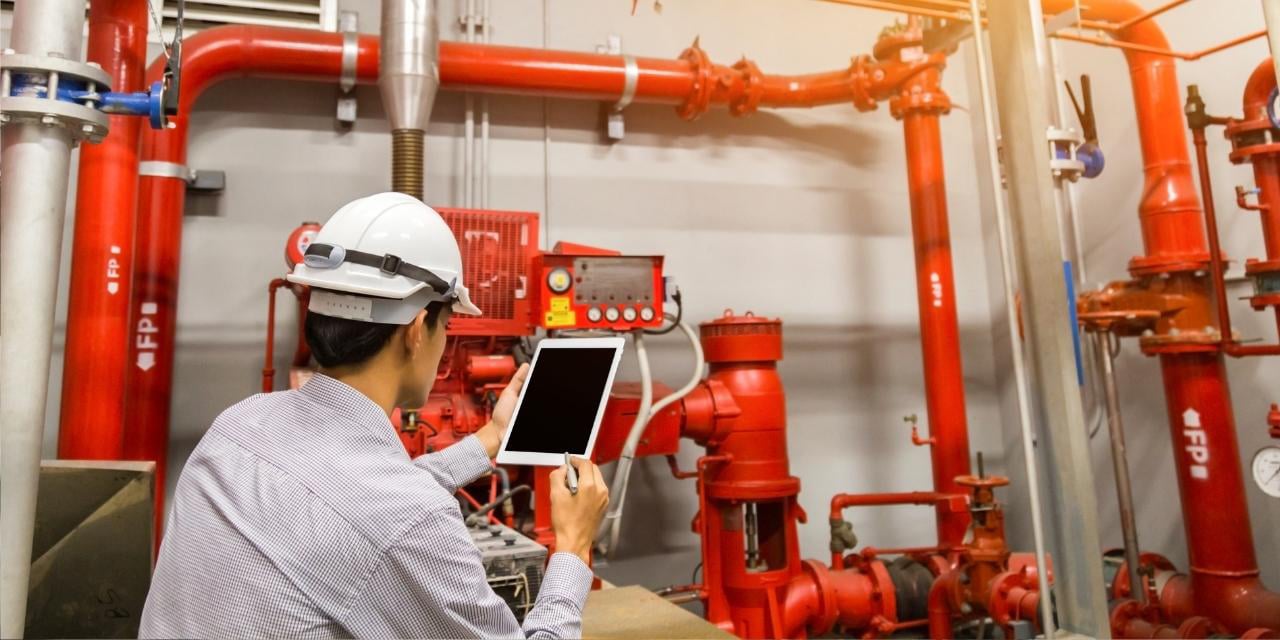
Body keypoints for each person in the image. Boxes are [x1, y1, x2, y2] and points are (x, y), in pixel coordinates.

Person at [139, 192, 609, 638]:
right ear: (418, 328)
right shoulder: (403, 520)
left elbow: (352, 503)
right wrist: (572, 546)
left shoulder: (240, 424)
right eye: (448, 324)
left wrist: (490, 438)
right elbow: (384, 514)